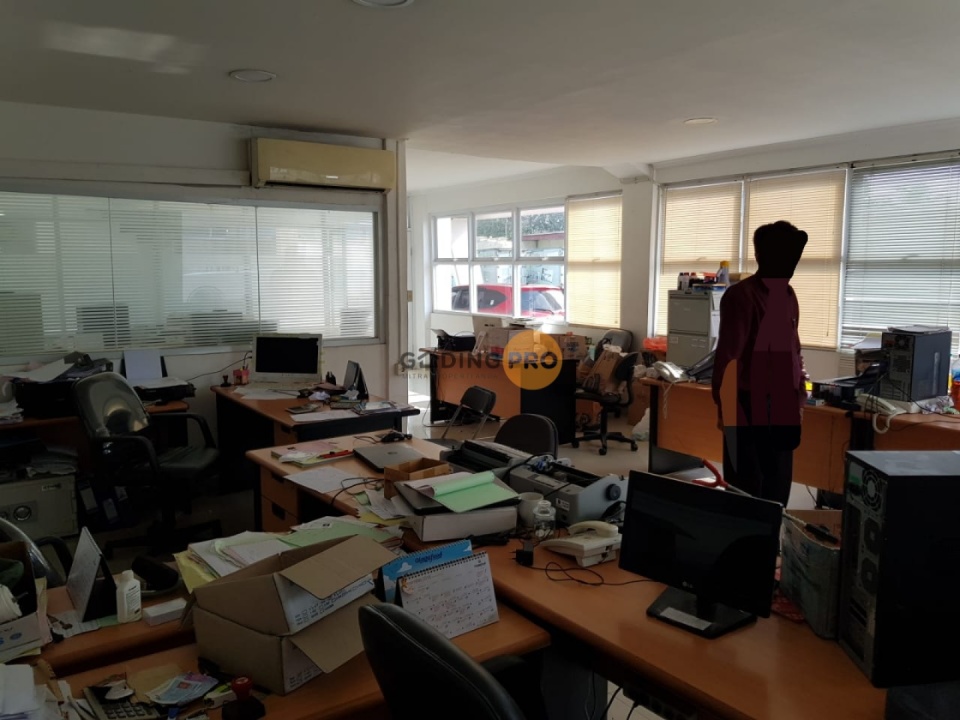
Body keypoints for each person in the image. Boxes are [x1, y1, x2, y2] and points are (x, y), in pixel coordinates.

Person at [711, 221, 808, 506]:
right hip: (747, 405)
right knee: (746, 489)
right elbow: (728, 358)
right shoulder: (741, 296)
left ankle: (773, 534)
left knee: (778, 486)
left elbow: (794, 350)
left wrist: (800, 397)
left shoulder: (788, 295)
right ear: (762, 255)